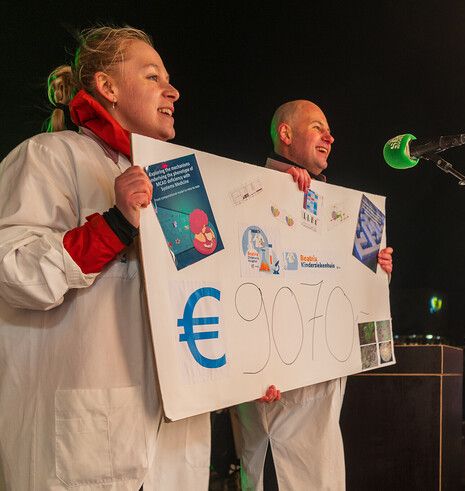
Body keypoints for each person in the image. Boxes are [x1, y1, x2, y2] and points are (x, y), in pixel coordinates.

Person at [0, 26, 210, 490]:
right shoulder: (47, 157)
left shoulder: (180, 186)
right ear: (107, 87)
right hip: (86, 437)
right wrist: (114, 224)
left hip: (174, 437)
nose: (172, 90)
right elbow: (13, 272)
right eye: (153, 75)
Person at [231, 100, 393, 490]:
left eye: (329, 130)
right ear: (285, 134)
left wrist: (376, 271)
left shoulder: (333, 210)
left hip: (322, 399)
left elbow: (346, 295)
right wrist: (246, 371)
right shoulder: (243, 194)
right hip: (273, 401)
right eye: (318, 127)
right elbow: (235, 290)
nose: (330, 137)